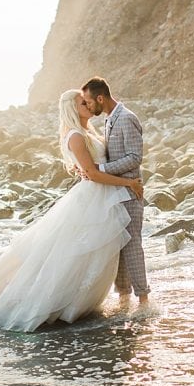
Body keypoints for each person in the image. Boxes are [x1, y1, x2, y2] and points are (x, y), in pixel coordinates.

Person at [0, 89, 144, 332]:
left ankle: (106, 298)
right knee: (73, 252)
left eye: (87, 101)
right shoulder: (76, 136)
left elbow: (93, 168)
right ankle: (57, 302)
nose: (88, 105)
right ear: (72, 108)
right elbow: (93, 173)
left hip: (99, 197)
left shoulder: (87, 132)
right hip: (94, 196)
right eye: (82, 103)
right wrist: (128, 182)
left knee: (91, 251)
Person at [80, 77, 149, 305]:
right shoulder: (110, 119)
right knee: (119, 246)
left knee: (132, 245)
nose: (89, 107)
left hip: (131, 191)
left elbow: (134, 157)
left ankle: (144, 300)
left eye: (89, 102)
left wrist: (100, 169)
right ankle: (124, 298)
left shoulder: (127, 118)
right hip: (116, 192)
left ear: (100, 98)